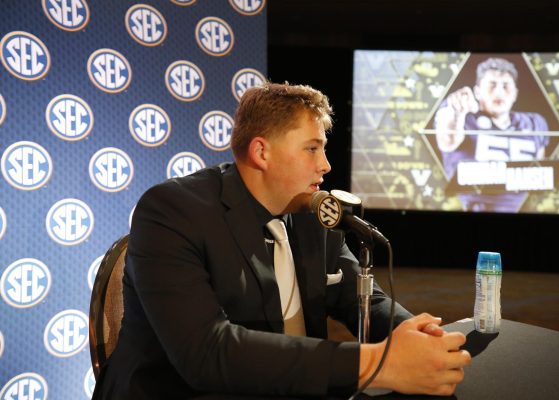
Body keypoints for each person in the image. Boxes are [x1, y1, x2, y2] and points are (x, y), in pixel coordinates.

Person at [92, 82, 471, 399]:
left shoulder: (310, 210)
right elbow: (208, 353)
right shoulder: (171, 211)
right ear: (262, 152)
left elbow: (362, 296)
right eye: (311, 148)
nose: (325, 165)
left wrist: (421, 338)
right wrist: (377, 362)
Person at [434, 57, 549, 212]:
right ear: (477, 91)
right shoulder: (462, 117)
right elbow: (447, 141)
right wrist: (457, 111)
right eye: (492, 85)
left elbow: (540, 175)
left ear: (515, 93)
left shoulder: (535, 122)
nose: (499, 92)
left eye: (506, 85)